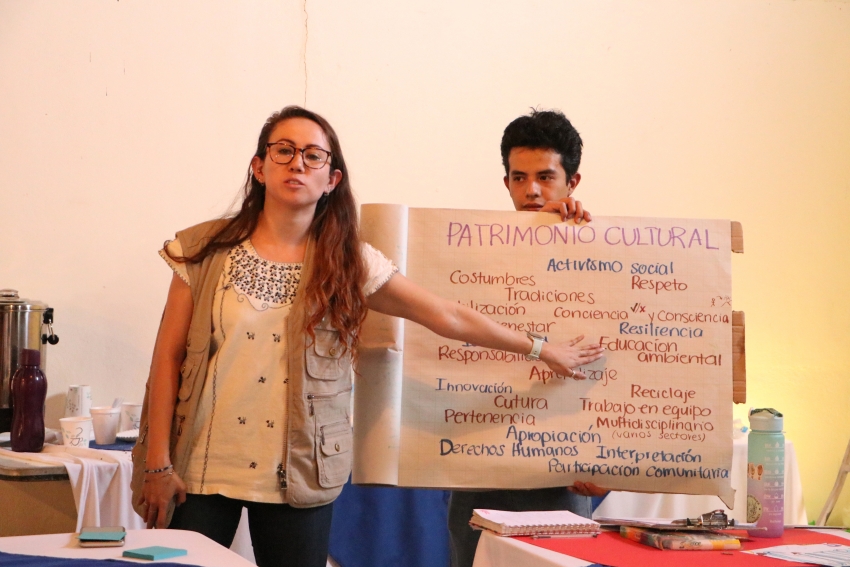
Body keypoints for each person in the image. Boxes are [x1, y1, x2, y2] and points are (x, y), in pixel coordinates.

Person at [130, 105, 605, 567]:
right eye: (284, 150)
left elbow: (447, 316)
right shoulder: (203, 250)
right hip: (196, 469)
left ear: (332, 178)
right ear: (259, 167)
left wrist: (540, 348)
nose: (298, 163)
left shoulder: (349, 261)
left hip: (299, 471)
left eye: (313, 155)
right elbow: (168, 359)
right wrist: (157, 464)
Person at [447, 109, 608, 567]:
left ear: (572, 182)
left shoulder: (602, 253)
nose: (532, 190)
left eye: (545, 177)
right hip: (479, 464)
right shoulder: (474, 255)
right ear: (506, 183)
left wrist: (608, 469)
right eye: (519, 178)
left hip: (559, 475)